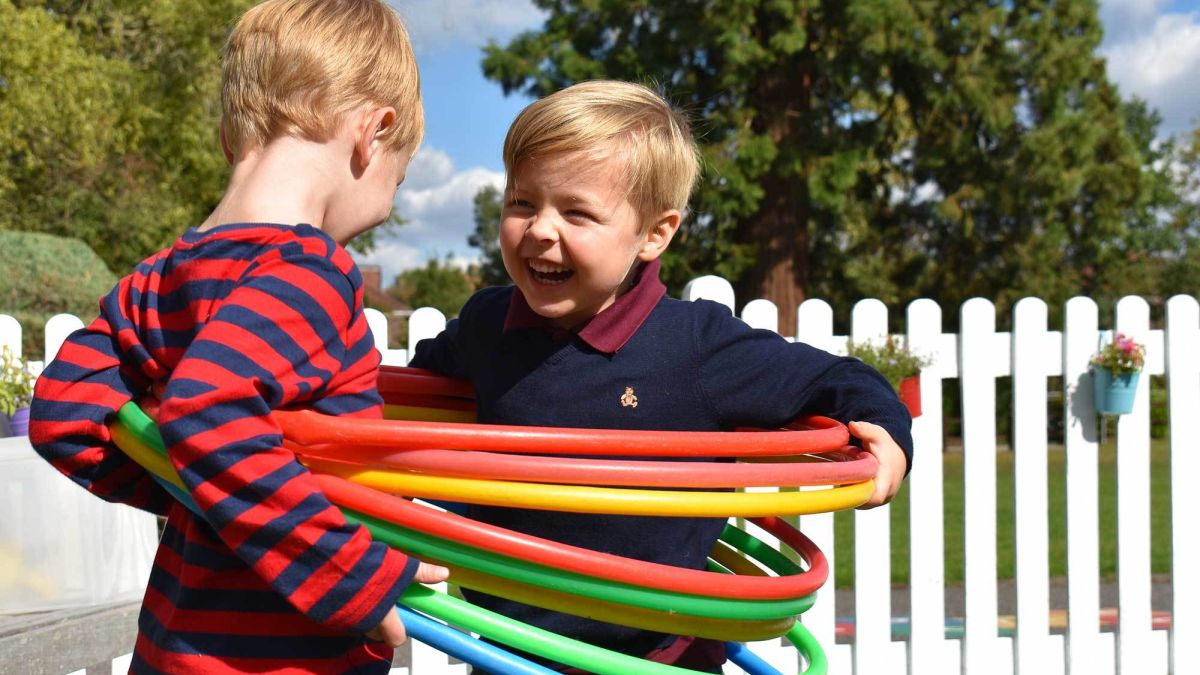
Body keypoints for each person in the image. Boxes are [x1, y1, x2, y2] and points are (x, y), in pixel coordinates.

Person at [408, 80, 914, 674]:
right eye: (522, 203)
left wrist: (887, 438)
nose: (541, 230)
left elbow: (835, 379)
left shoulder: (695, 346)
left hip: (660, 653)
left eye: (576, 212)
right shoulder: (487, 324)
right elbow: (404, 408)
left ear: (655, 234)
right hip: (503, 646)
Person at [28, 1, 447, 672]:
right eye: (400, 174)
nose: (390, 198)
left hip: (170, 648)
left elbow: (63, 411)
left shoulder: (163, 273)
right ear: (373, 132)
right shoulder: (310, 273)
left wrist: (210, 498)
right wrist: (347, 571)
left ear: (231, 138)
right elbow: (208, 413)